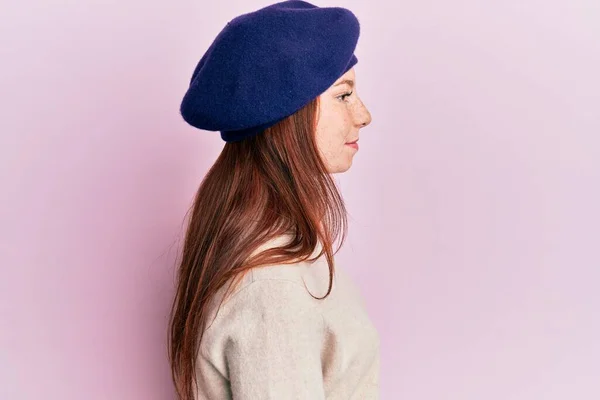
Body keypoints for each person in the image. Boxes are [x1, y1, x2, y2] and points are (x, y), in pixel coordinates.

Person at [168, 1, 378, 399]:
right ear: (290, 117)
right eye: (343, 95)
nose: (363, 115)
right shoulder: (270, 285)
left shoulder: (284, 253)